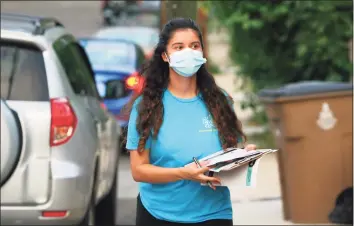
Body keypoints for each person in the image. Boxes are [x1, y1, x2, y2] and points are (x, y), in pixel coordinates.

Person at [124, 18, 257, 226]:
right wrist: (182, 174)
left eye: (194, 46)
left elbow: (226, 157)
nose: (189, 52)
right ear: (165, 56)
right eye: (179, 47)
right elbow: (139, 170)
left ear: (203, 53)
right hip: (159, 214)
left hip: (214, 213)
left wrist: (243, 158)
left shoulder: (221, 101)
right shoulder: (146, 107)